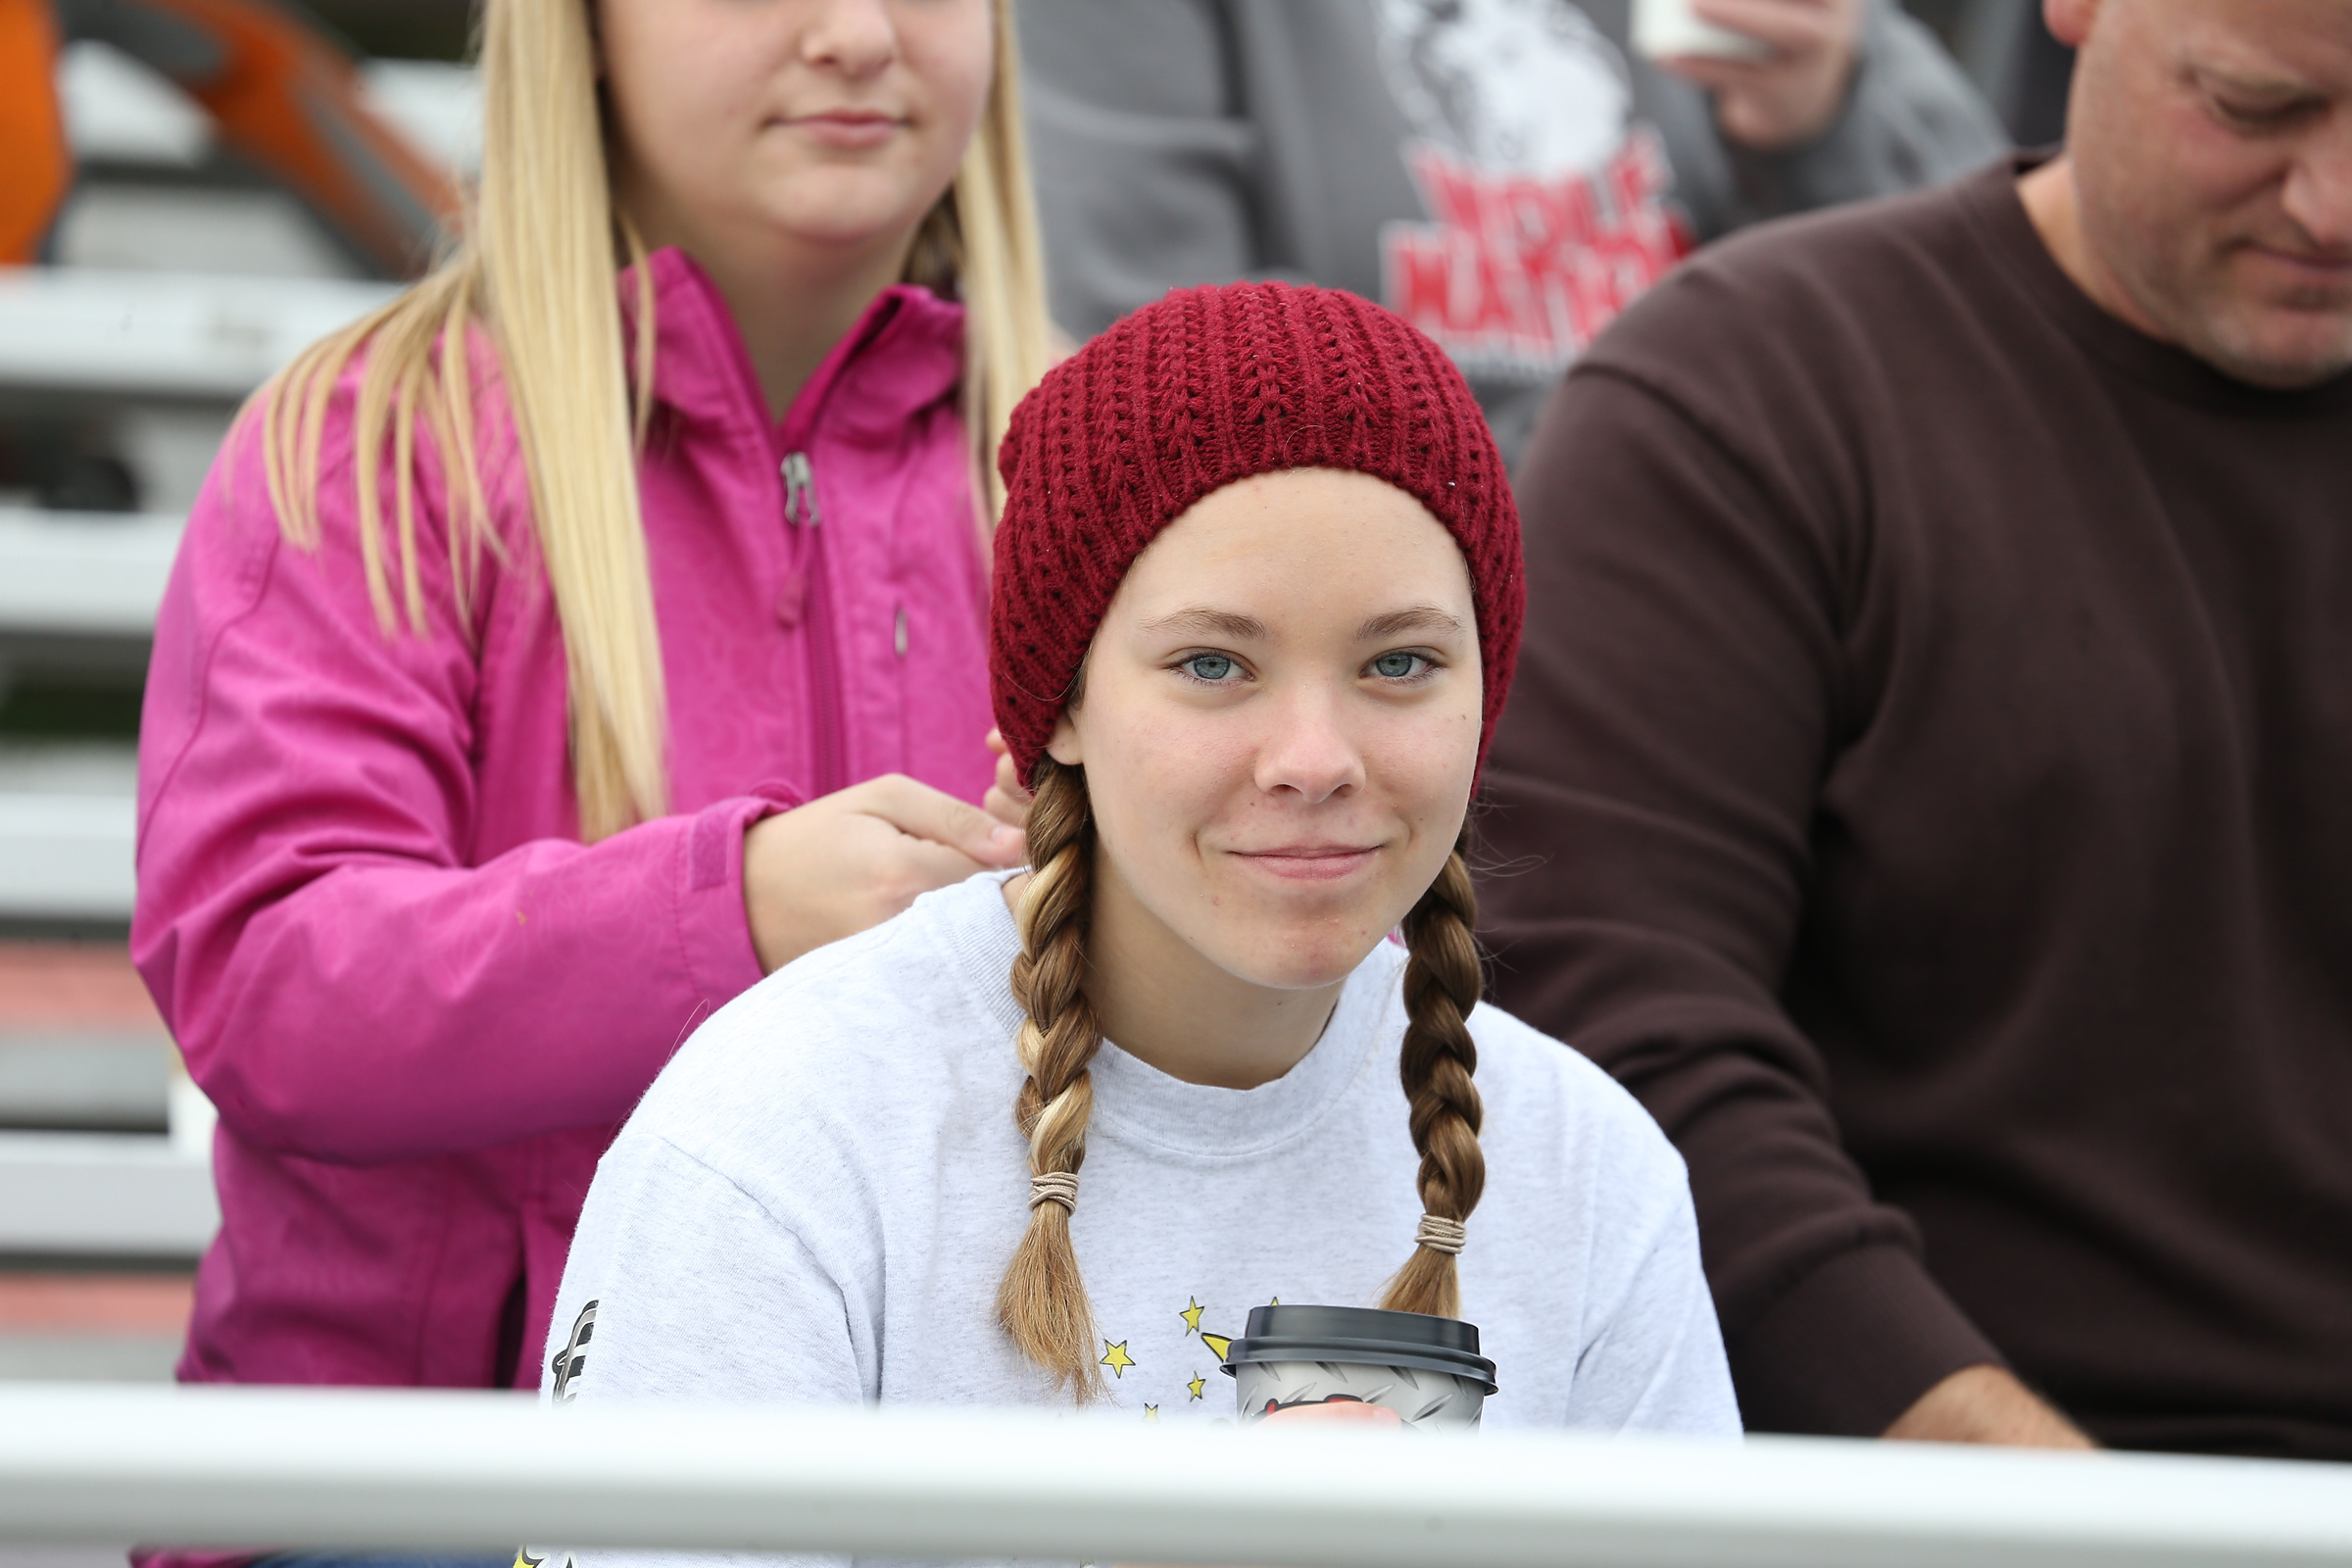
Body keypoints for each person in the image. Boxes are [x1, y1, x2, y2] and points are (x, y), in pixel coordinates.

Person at [535, 284, 1738, 1527]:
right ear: (1059, 705)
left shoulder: (1593, 1175)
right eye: (1213, 663)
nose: (1313, 759)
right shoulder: (782, 1137)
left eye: (1400, 662)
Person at [132, 0, 1052, 1469]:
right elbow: (269, 982)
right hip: (424, 1494)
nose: (857, 33)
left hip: (964, 1492)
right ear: (584, 29)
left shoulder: (1111, 475)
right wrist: (723, 916)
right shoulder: (371, 447)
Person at [1479, 0, 2352, 1458]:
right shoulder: (1754, 393)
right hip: (1919, 1490)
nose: (2333, 203)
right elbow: (1610, 1036)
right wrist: (2055, 1516)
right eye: (2253, 106)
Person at [1013, 0, 2006, 465]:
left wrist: (1828, 121)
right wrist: (1693, 466)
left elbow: (1995, 330)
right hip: (1387, 667)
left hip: (1756, 594)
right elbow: (1187, 407)